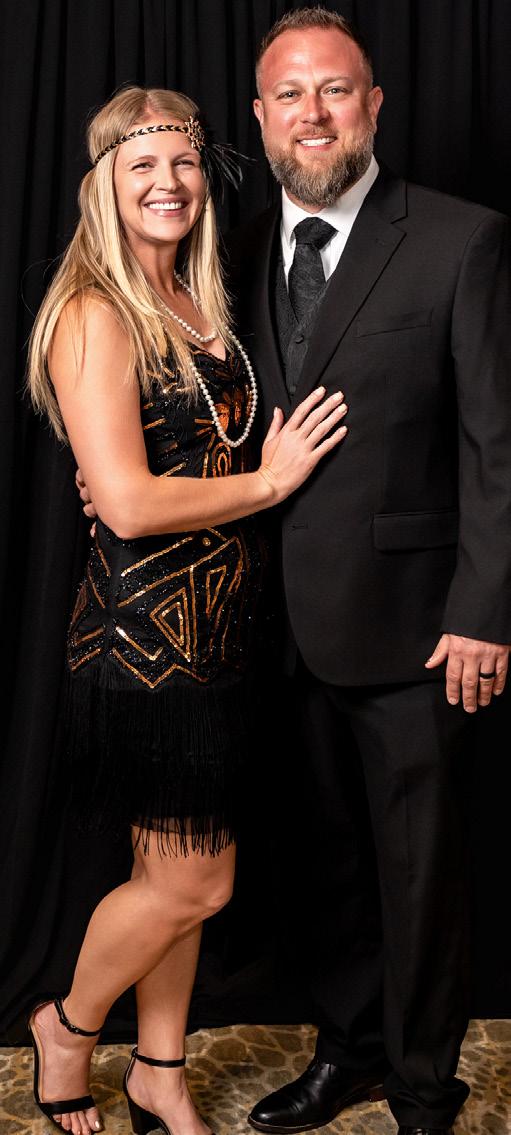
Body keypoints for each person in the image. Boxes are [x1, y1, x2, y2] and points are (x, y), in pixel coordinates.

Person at [26, 85, 348, 1135]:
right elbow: (123, 503)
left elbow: (170, 461)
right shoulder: (94, 311)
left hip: (223, 639)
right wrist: (270, 481)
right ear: (103, 186)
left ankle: (158, 1069)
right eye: (141, 167)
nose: (167, 183)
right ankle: (68, 1026)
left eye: (183, 163)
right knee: (196, 883)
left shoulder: (201, 300)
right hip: (144, 647)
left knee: (170, 866)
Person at [220, 9, 511, 1135]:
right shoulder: (234, 249)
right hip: (271, 623)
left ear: (373, 105)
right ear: (259, 115)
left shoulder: (459, 239)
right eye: (289, 95)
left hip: (414, 627)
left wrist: (483, 608)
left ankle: (425, 1086)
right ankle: (346, 1053)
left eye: (334, 90)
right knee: (324, 862)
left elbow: (495, 445)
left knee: (420, 873)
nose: (313, 113)